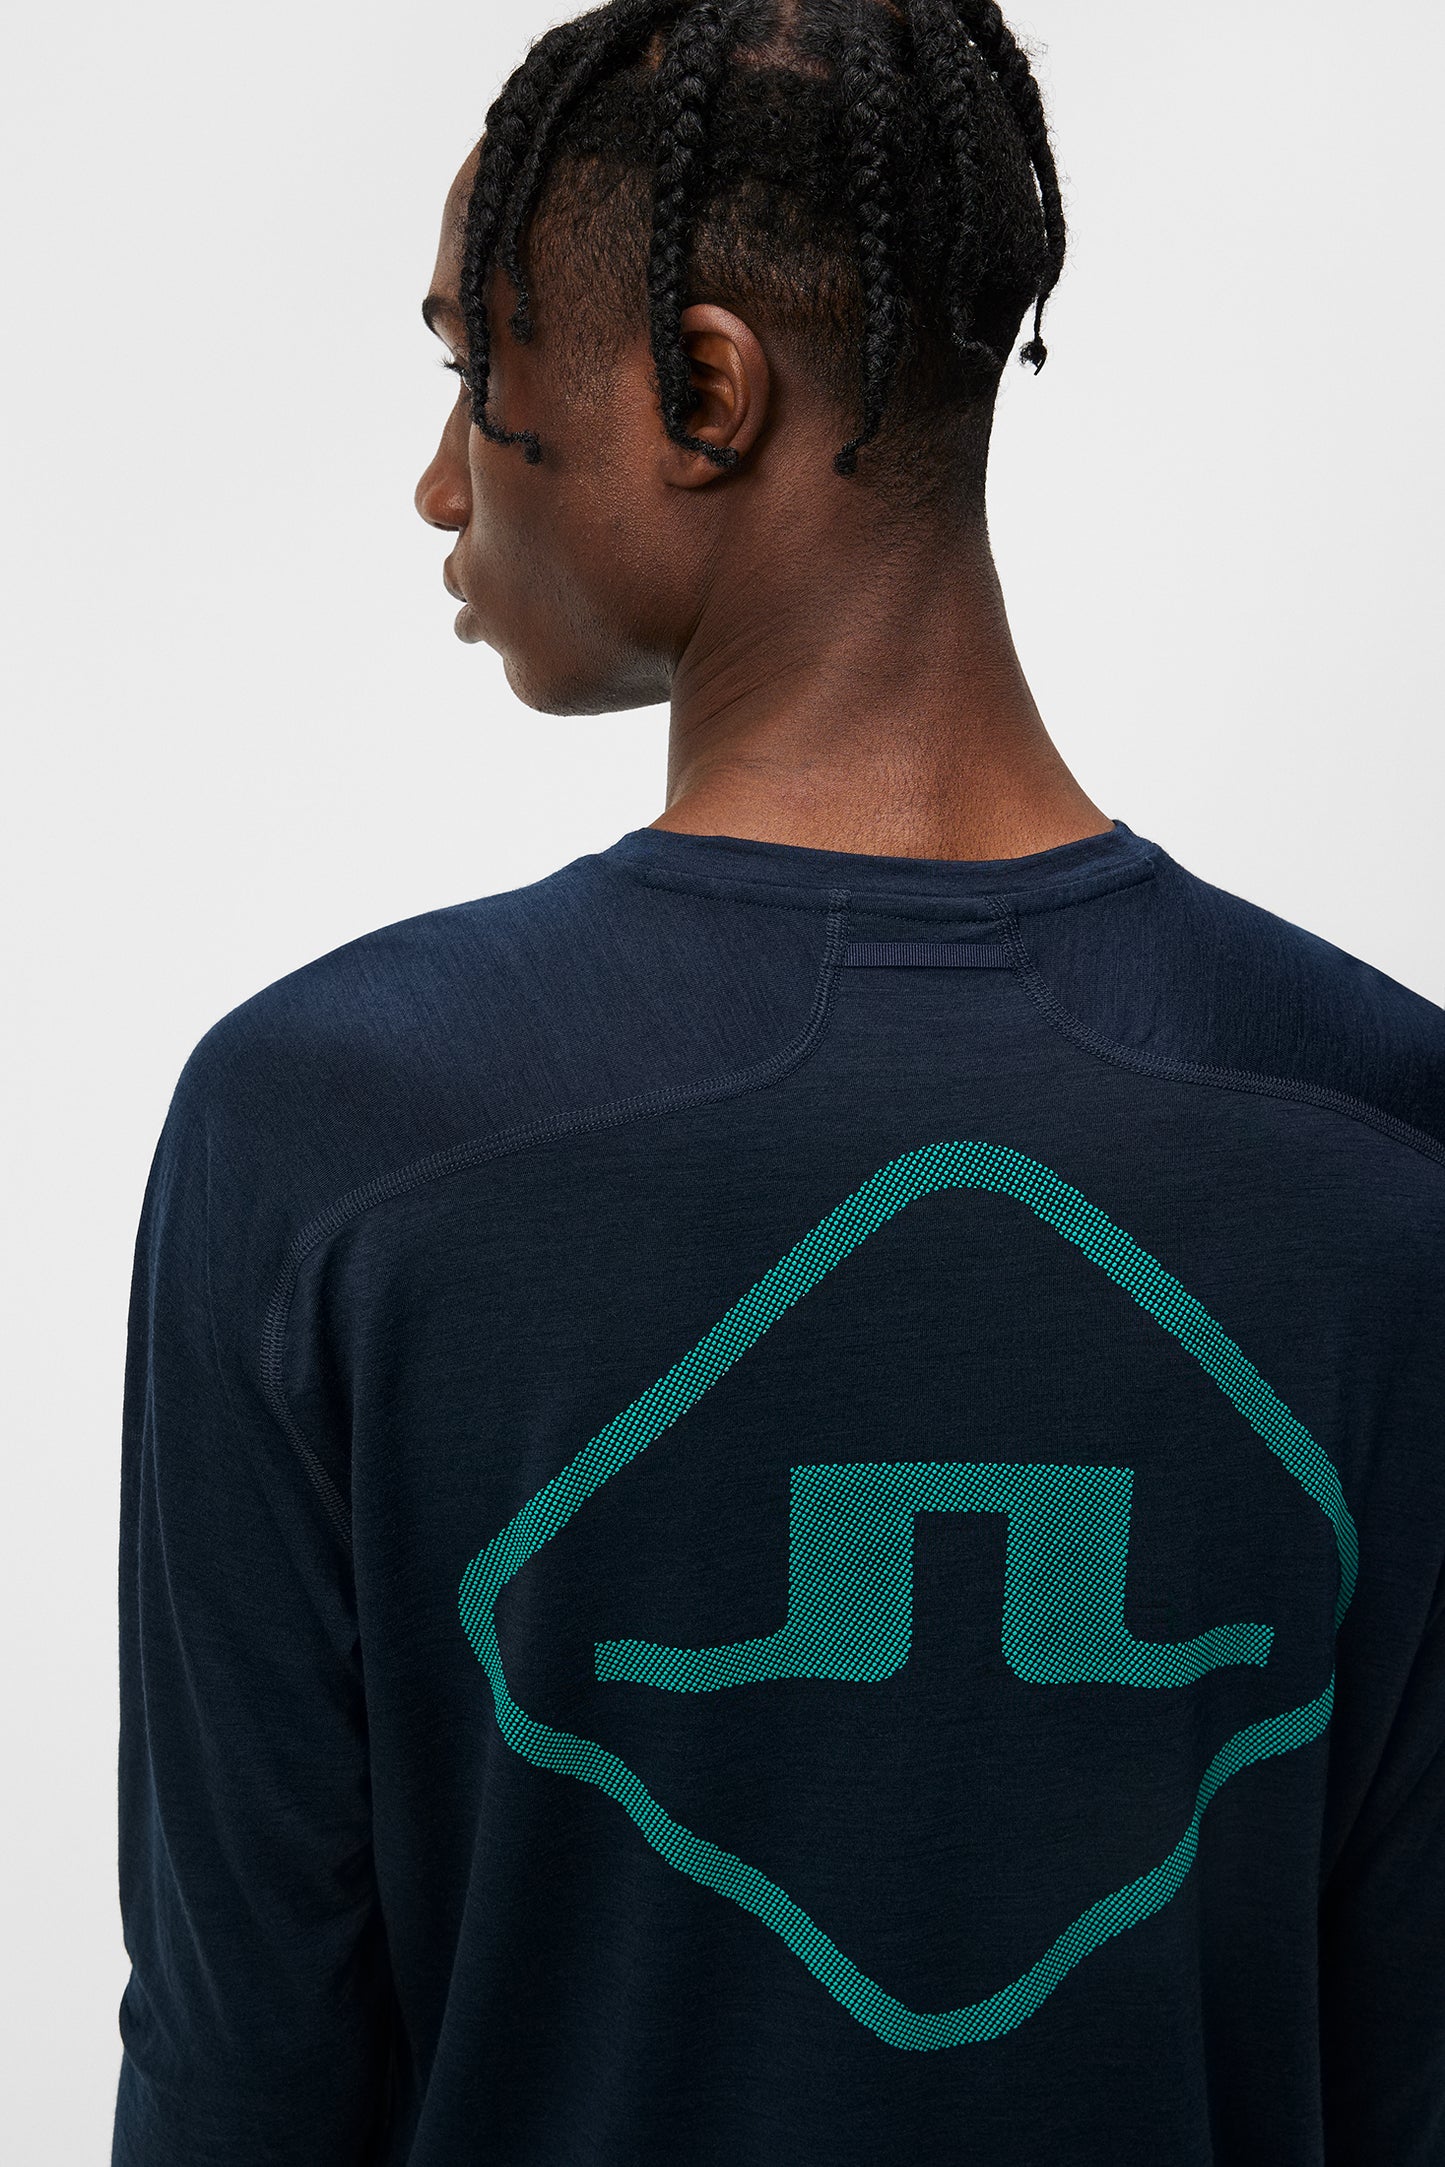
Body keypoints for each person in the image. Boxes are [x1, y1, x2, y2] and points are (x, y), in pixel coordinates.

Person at [111, 3, 1445, 2162]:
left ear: (703, 391)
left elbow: (242, 2079)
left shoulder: (337, 1137)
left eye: (472, 367)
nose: (440, 478)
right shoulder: (1387, 1142)